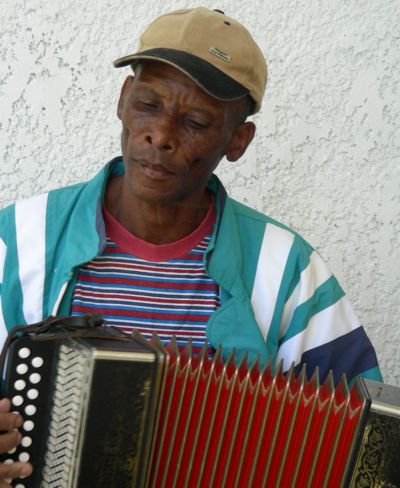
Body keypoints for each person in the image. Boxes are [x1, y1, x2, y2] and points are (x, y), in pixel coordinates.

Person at [0, 6, 382, 483]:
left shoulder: (288, 272)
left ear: (238, 140)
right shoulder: (16, 242)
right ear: (123, 99)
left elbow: (369, 445)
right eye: (148, 104)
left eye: (196, 123)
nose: (160, 136)